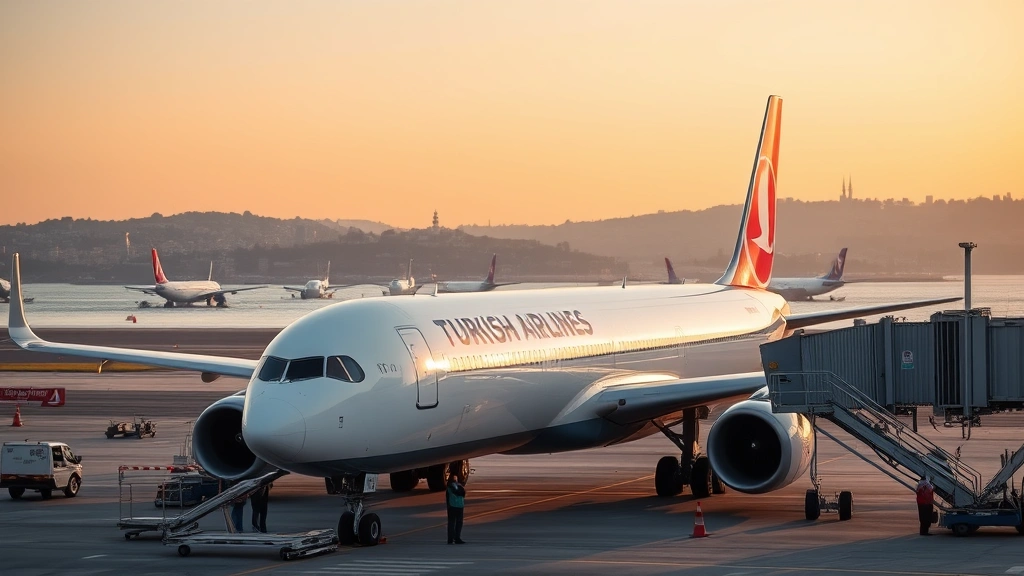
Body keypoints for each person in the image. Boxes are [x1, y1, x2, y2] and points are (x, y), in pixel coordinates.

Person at [446, 473, 466, 544]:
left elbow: (448, 497)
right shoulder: (460, 486)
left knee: (451, 523)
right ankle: (457, 538)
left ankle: (450, 539)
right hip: (459, 506)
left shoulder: (449, 487)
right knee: (459, 523)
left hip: (452, 506)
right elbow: (463, 494)